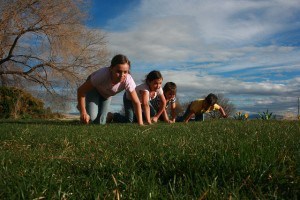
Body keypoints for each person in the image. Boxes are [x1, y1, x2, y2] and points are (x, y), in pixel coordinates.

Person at [77, 54, 143, 125]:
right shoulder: (102, 74)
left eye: (125, 72)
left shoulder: (128, 80)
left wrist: (140, 123)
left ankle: (89, 109)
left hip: (106, 95)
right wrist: (83, 112)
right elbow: (81, 90)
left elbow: (136, 103)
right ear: (111, 68)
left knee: (100, 123)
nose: (122, 75)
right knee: (92, 118)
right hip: (94, 90)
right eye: (118, 71)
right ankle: (82, 107)